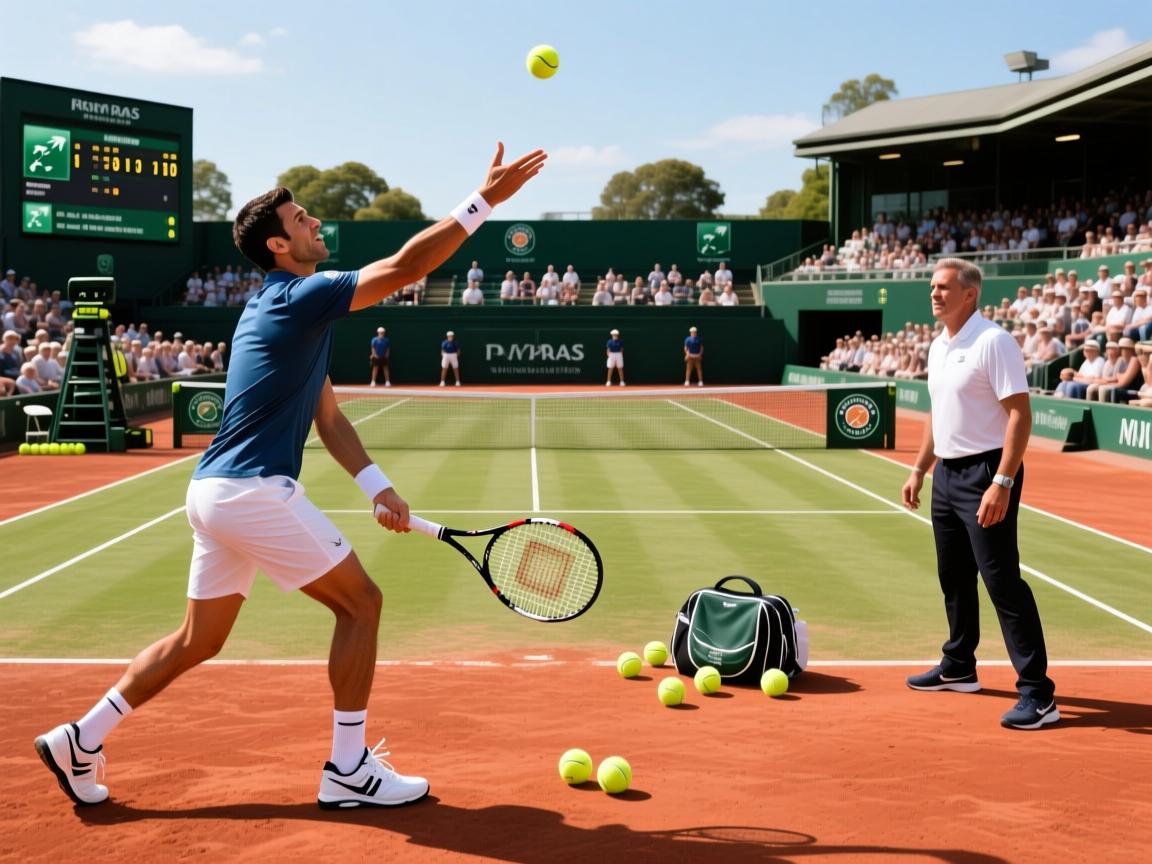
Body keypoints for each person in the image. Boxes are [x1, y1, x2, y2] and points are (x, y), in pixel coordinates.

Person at [33, 142, 546, 810]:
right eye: (302, 219)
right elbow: (407, 265)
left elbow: (328, 418)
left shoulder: (281, 310)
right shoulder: (300, 296)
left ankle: (82, 737)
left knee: (199, 639)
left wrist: (377, 487)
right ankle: (348, 768)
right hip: (251, 491)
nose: (314, 223)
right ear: (279, 244)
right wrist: (484, 204)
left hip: (213, 492)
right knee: (362, 604)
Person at [901, 258, 1057, 730]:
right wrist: (920, 468)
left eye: (943, 287)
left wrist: (1002, 482)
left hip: (987, 473)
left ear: (969, 294)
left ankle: (1038, 694)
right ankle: (959, 666)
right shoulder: (937, 346)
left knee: (1002, 582)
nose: (934, 293)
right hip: (947, 475)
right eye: (932, 286)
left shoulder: (994, 341)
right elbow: (937, 412)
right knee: (954, 577)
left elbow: (1019, 417)